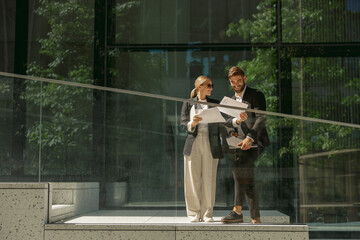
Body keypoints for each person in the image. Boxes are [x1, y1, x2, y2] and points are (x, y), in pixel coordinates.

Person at [221, 66, 270, 224]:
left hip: (255, 141)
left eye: (239, 81)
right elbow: (228, 123)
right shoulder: (230, 100)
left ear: (245, 78)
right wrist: (235, 125)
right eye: (233, 82)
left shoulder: (256, 94)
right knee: (247, 177)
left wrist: (250, 137)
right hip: (238, 143)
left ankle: (237, 211)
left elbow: (261, 117)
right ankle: (255, 218)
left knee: (239, 169)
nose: (236, 84)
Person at [181, 75, 223, 223]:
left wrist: (236, 121)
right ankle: (193, 214)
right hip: (193, 142)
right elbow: (183, 122)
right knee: (192, 180)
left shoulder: (215, 103)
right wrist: (192, 123)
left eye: (212, 86)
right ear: (199, 87)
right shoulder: (188, 103)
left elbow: (224, 121)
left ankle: (207, 214)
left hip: (211, 143)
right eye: (209, 86)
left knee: (209, 179)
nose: (211, 88)